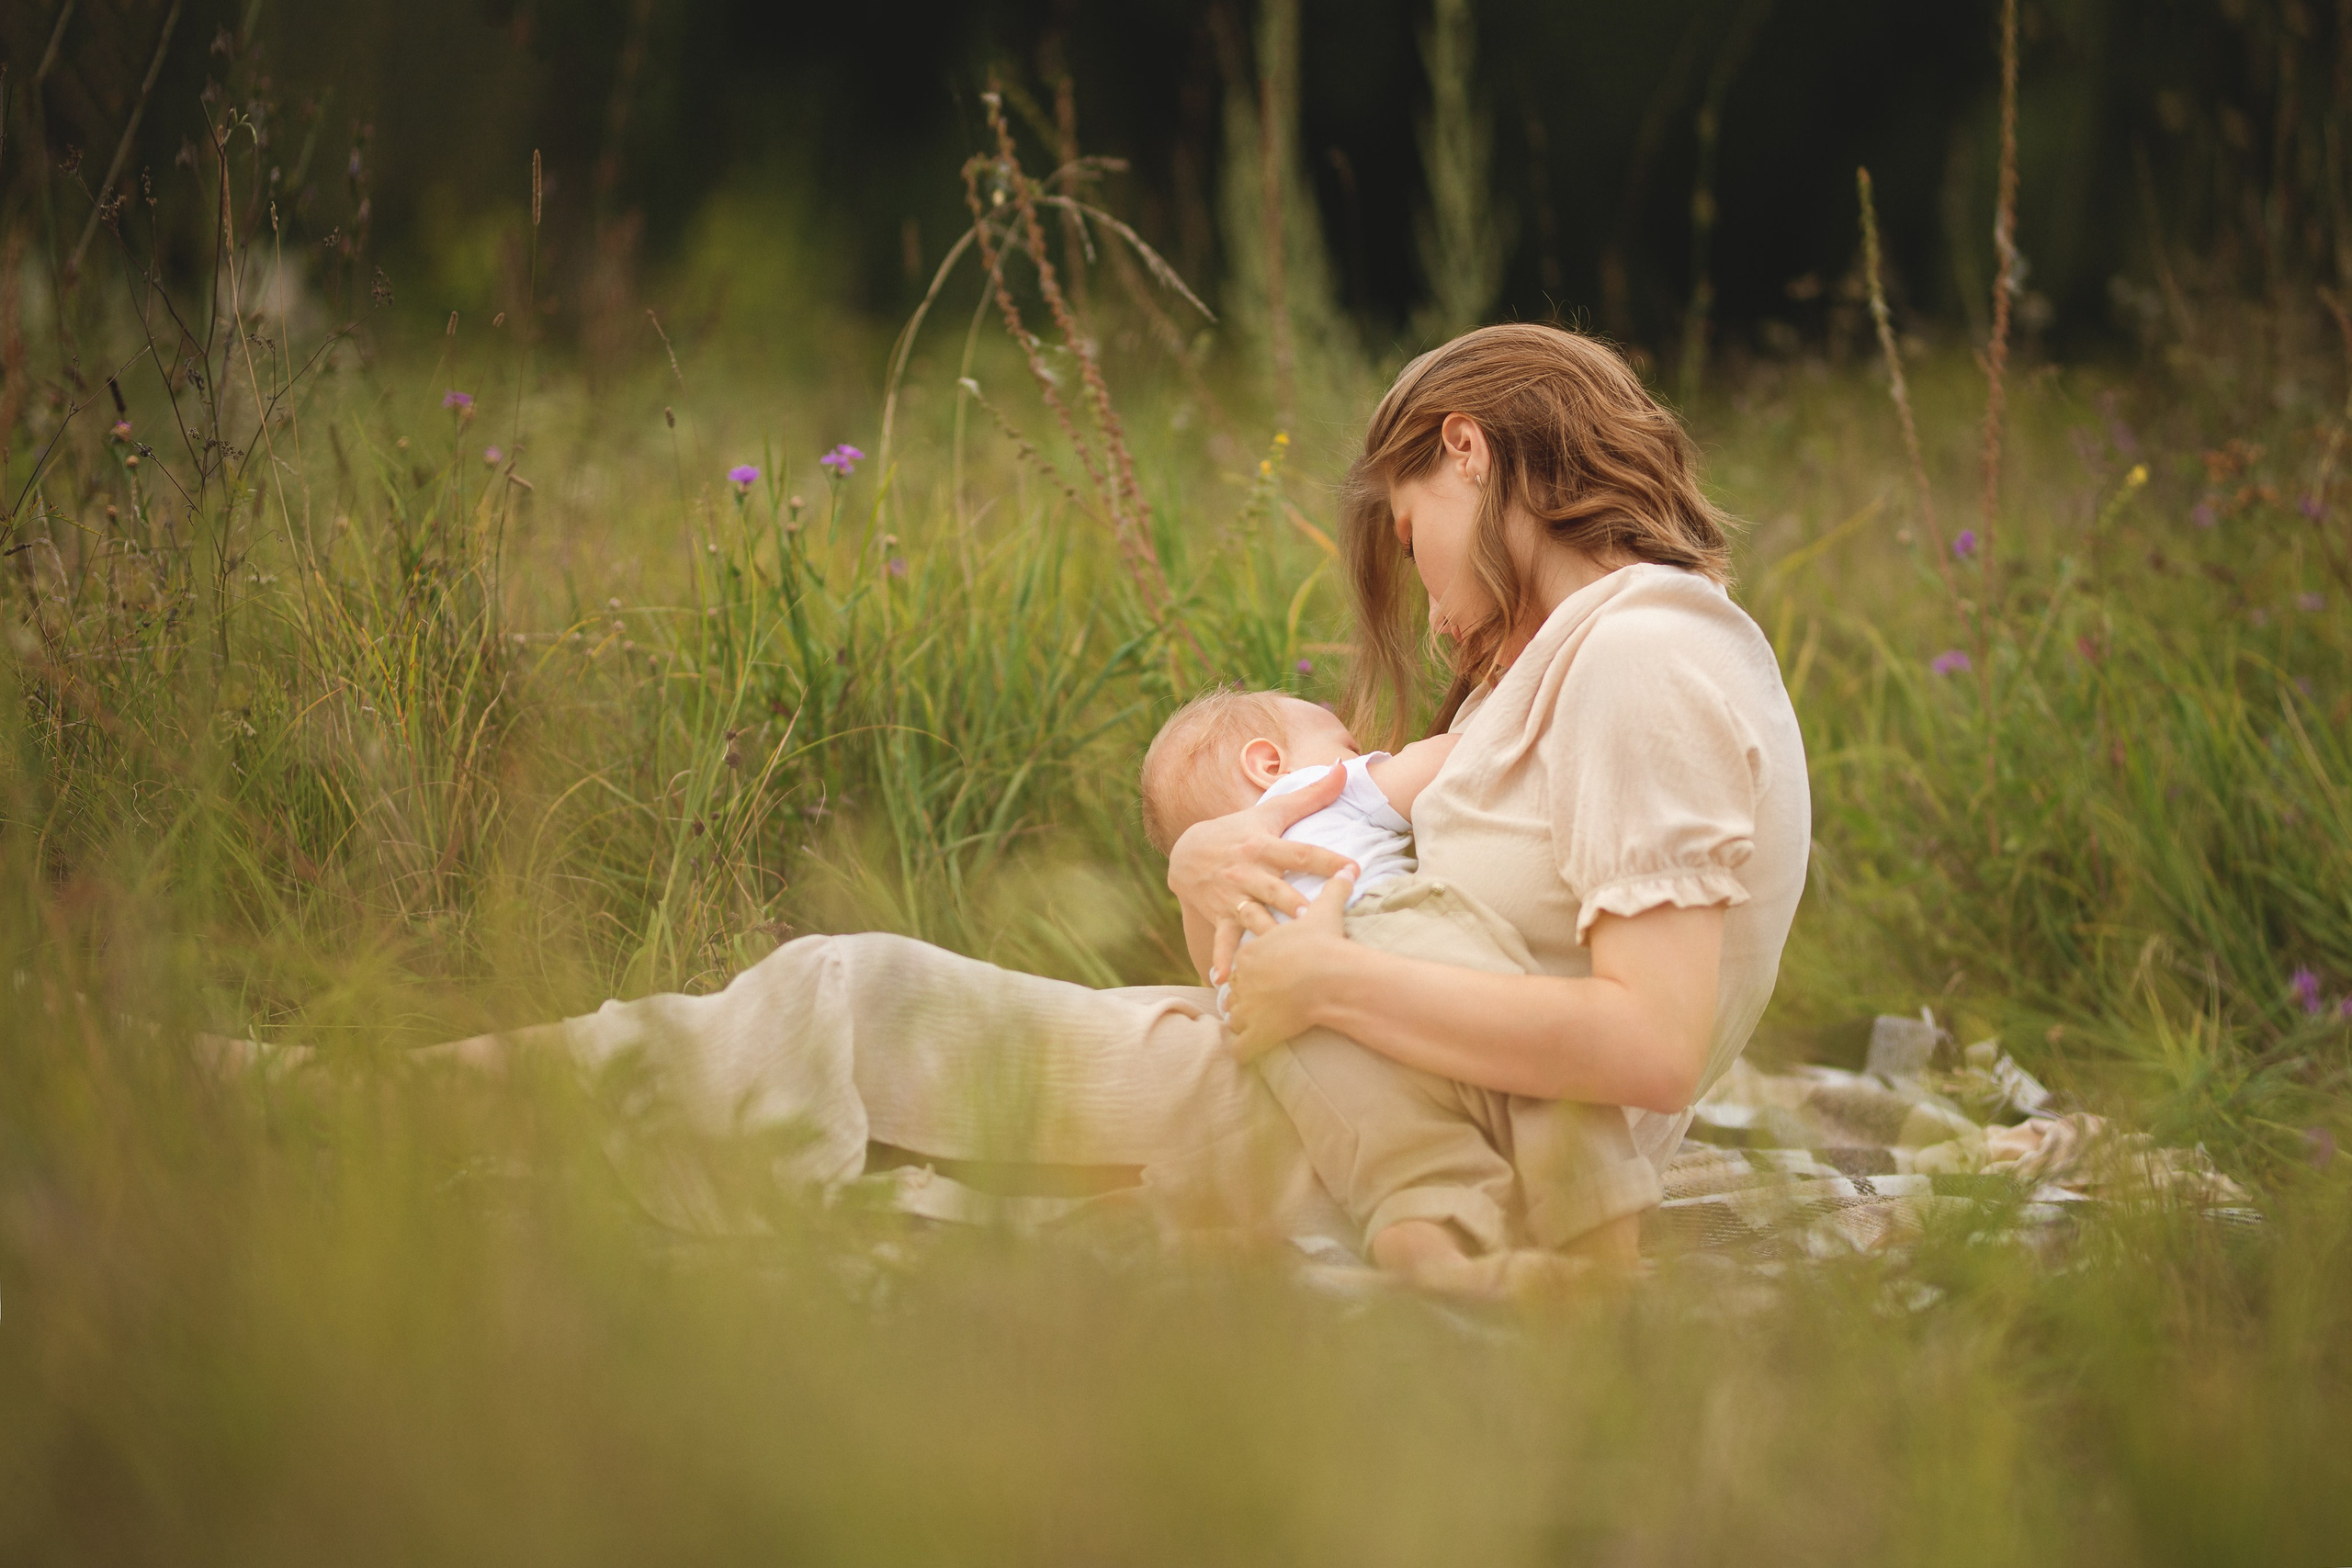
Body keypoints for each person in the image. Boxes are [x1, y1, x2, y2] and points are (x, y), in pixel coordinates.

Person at [438, 322, 1810, 1294]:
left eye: (1409, 535)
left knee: (844, 1000)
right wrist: (1211, 852)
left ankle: (362, 1097)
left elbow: (1649, 1043)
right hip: (1367, 1097)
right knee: (833, 1015)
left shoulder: (1644, 654)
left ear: (1468, 449)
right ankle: (390, 1091)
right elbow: (1376, 822)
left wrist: (1324, 975)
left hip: (1390, 1136)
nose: (1429, 593)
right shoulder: (1591, 658)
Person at [1138, 687, 1653, 1276]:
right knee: (1545, 1082)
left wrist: (1187, 868)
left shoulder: (1215, 897)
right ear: (1268, 765)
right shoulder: (1322, 794)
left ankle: (1435, 1260)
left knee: (1406, 1161)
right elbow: (1469, 754)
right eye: (1349, 743)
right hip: (1399, 941)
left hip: (1303, 1040)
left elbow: (1220, 979)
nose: (1367, 753)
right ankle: (1604, 1256)